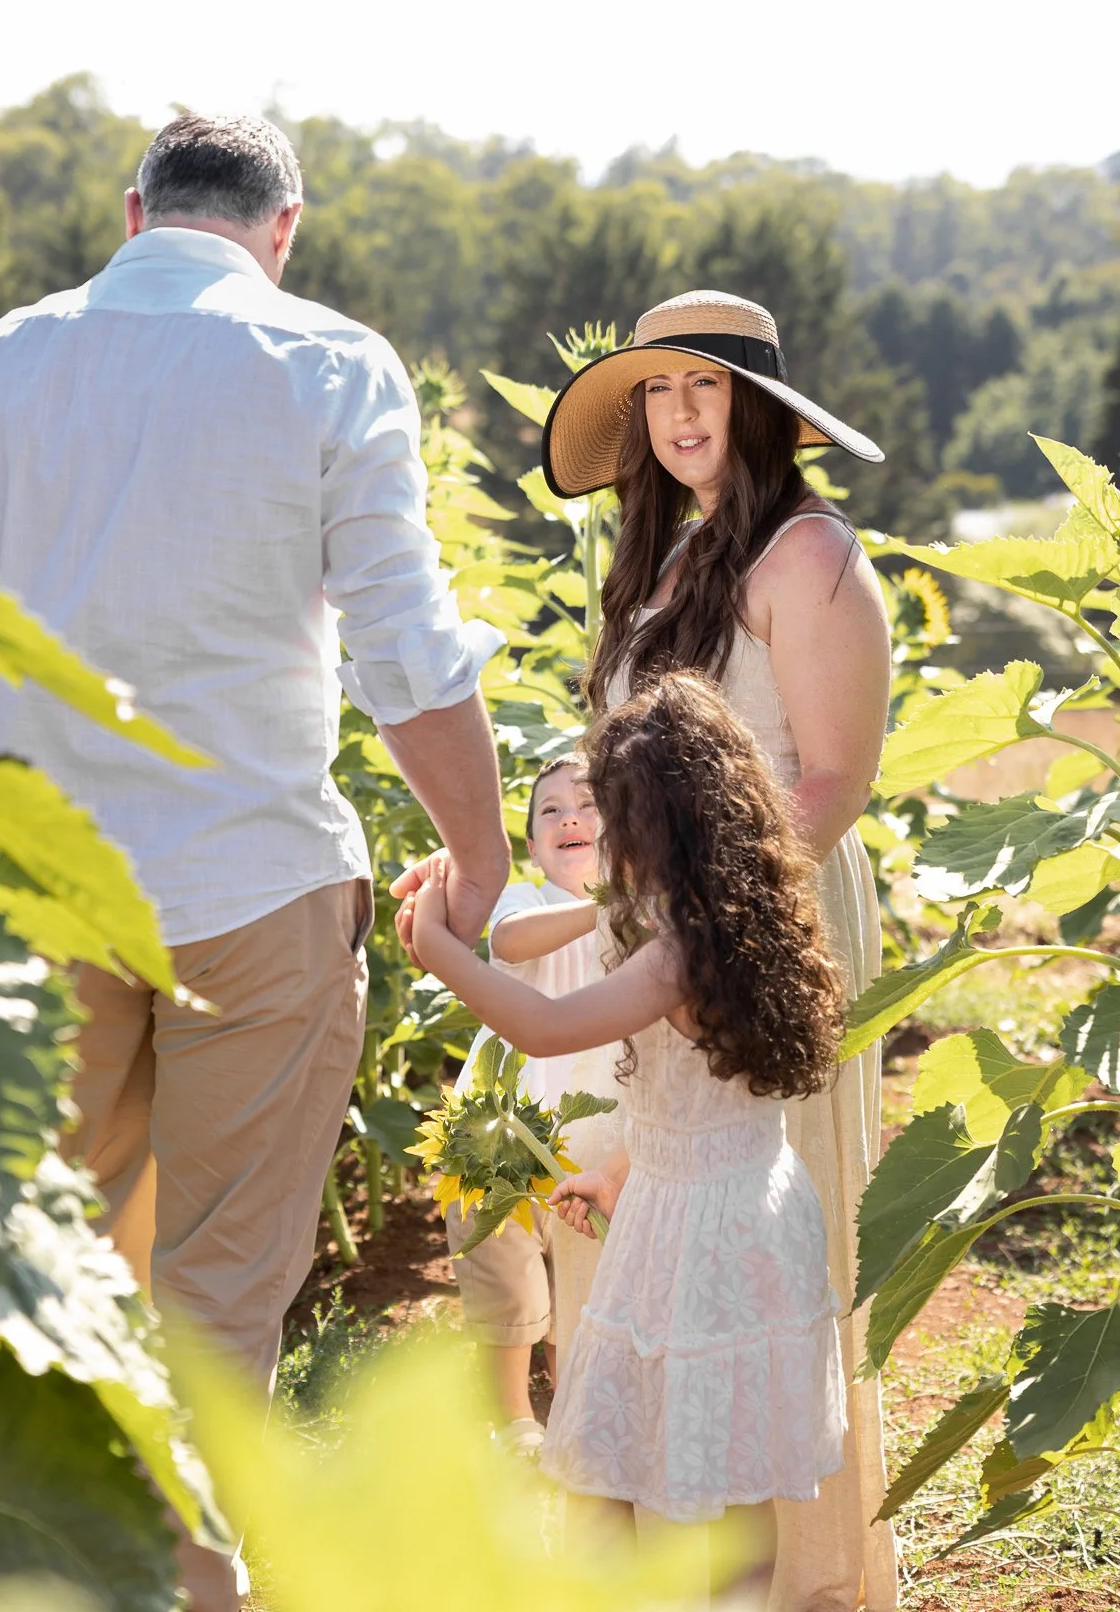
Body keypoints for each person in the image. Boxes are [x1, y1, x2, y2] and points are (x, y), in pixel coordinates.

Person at [0, 112, 510, 1612]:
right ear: (284, 229)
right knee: (215, 1291)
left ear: (134, 211)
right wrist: (478, 851)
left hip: (52, 883)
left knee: (48, 1271)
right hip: (257, 887)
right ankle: (201, 1592)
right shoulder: (330, 361)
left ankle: (35, 1576)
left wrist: (4, 747)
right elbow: (404, 647)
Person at [537, 287, 897, 1612]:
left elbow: (831, 781)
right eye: (658, 392)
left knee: (739, 1237)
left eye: (706, 388)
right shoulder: (680, 556)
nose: (681, 416)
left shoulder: (807, 559)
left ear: (762, 409)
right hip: (666, 925)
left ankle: (782, 1579)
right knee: (659, 1237)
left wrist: (708, 927)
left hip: (761, 918)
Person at [405, 672, 848, 1576]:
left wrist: (437, 950)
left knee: (614, 1461)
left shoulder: (675, 948)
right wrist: (619, 1173)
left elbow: (543, 1026)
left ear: (650, 825)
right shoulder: (754, 917)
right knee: (729, 1468)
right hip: (736, 1208)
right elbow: (707, 1103)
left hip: (695, 1237)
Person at [444, 754, 599, 1453]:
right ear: (534, 847)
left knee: (584, 1278)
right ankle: (514, 1419)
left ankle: (576, 1405)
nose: (569, 815)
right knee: (502, 1272)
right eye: (550, 810)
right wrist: (604, 909)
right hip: (502, 1125)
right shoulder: (527, 902)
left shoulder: (649, 913)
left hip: (596, 1133)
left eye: (591, 803)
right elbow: (506, 943)